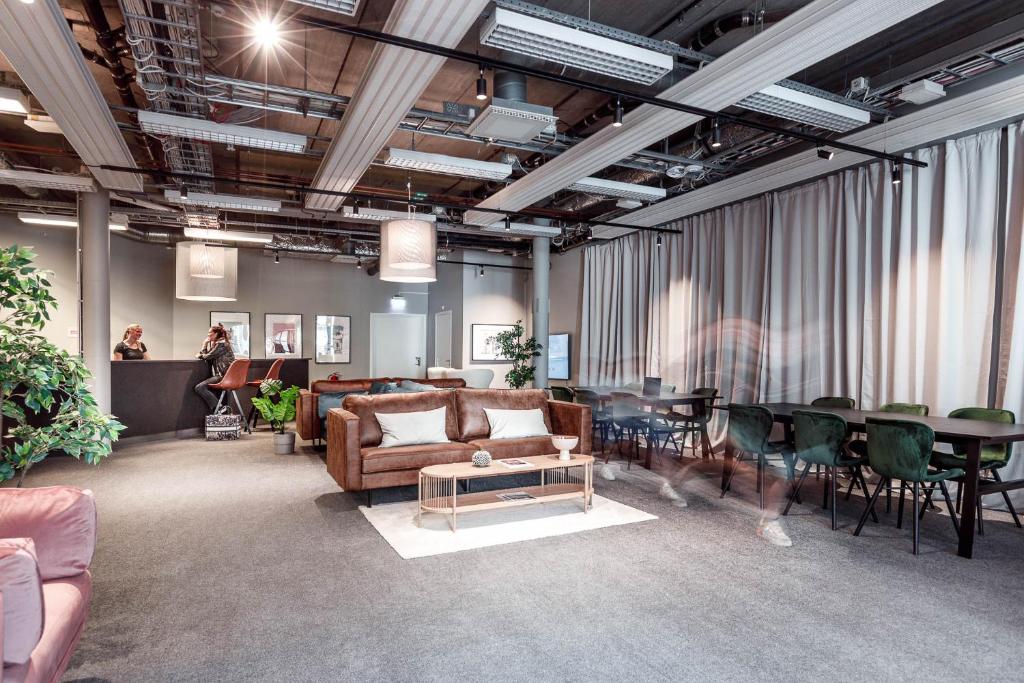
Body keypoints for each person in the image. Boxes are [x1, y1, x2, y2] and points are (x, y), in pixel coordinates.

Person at [194, 325, 236, 412]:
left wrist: (202, 349)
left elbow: (207, 356)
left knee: (199, 388)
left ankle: (219, 408)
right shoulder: (219, 344)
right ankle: (221, 408)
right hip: (224, 375)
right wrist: (205, 345)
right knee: (202, 388)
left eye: (210, 332)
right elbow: (208, 356)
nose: (208, 334)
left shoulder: (222, 344)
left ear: (216, 334)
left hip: (223, 375)